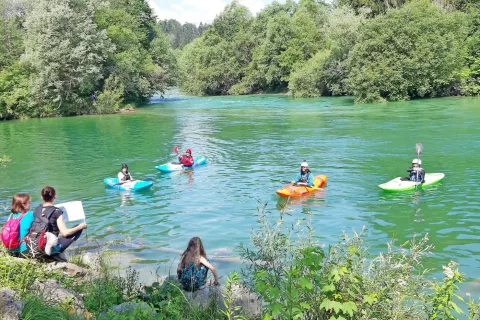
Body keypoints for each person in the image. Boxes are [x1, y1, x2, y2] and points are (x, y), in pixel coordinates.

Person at [34, 186, 87, 261]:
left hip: (35, 244)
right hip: (47, 246)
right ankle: (55, 253)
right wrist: (81, 226)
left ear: (42, 197)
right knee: (77, 227)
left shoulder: (36, 209)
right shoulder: (57, 211)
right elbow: (65, 233)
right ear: (55, 196)